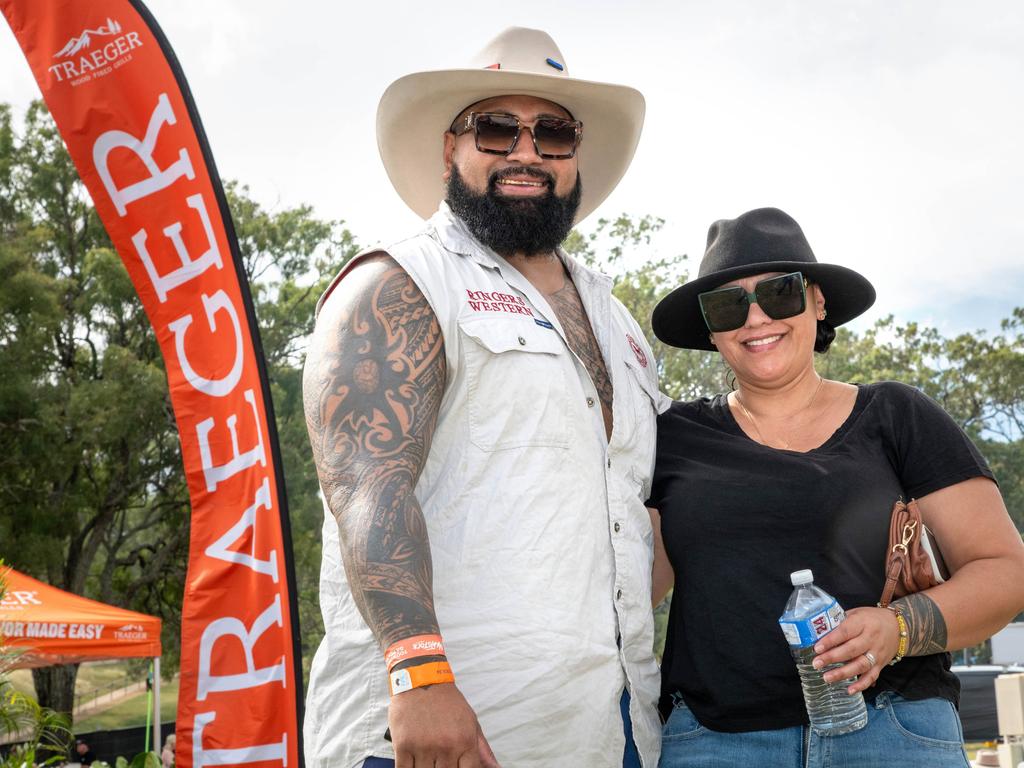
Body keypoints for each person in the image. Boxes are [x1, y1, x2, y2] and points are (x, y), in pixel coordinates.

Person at [302, 27, 665, 768]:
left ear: (575, 154)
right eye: (497, 127)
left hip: (605, 728)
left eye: (553, 133)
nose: (526, 151)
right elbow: (367, 486)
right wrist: (419, 671)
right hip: (436, 731)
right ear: (450, 150)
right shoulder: (400, 281)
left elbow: (637, 520)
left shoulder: (621, 325)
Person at [646, 207, 1024, 767]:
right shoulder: (671, 437)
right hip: (716, 743)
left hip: (895, 731)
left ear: (817, 301)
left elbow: (1005, 571)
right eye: (728, 304)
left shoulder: (898, 415)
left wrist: (895, 630)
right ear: (711, 327)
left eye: (779, 293)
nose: (755, 318)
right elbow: (624, 592)